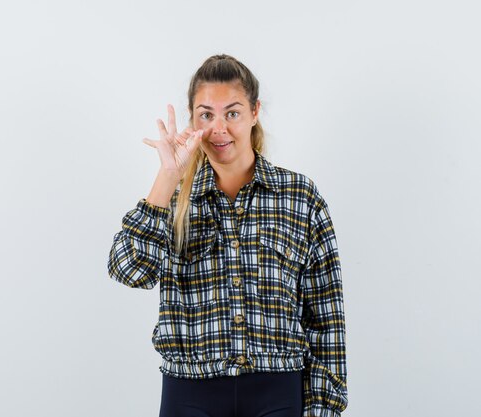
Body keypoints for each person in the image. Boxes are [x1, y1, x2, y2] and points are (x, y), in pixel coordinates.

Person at [108, 54, 348, 417]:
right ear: (193, 120)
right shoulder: (171, 199)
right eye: (206, 114)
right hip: (189, 393)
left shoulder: (300, 197)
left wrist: (323, 409)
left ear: (255, 112)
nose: (219, 127)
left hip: (278, 391)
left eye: (232, 113)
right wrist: (168, 177)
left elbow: (326, 318)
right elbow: (129, 271)